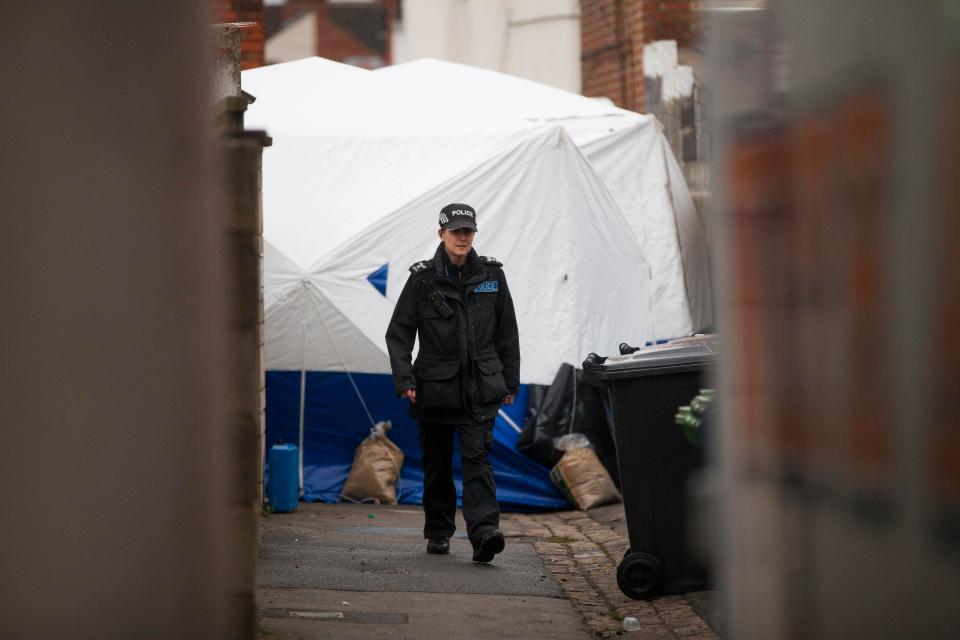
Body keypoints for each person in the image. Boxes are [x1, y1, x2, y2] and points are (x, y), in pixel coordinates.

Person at [385, 202, 520, 563]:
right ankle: (439, 531)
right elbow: (399, 334)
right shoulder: (423, 279)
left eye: (468, 231)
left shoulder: (492, 275)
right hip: (435, 388)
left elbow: (507, 332)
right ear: (441, 234)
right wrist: (405, 379)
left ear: (474, 234)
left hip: (482, 388)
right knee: (438, 465)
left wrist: (510, 381)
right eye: (455, 231)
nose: (462, 238)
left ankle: (484, 533)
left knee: (478, 461)